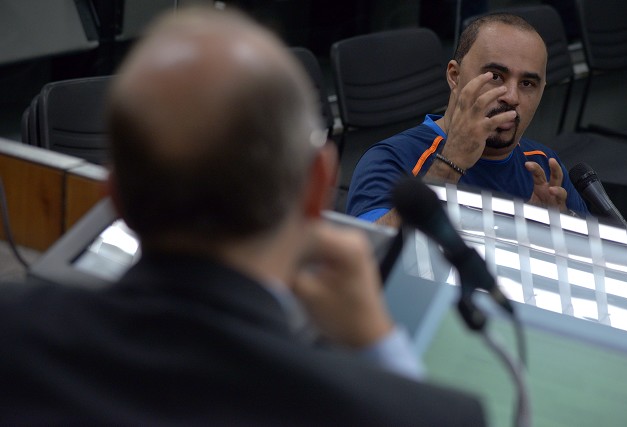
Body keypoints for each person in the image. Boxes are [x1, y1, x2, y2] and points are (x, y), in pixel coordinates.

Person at [0, 6, 486, 425]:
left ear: (114, 197)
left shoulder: (15, 337)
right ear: (318, 187)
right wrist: (379, 346)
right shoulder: (423, 415)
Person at [347, 13, 588, 226]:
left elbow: (593, 256)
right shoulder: (395, 158)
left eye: (527, 83)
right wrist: (449, 164)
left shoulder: (543, 166)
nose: (512, 97)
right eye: (495, 76)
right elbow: (368, 251)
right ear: (455, 76)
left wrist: (557, 232)